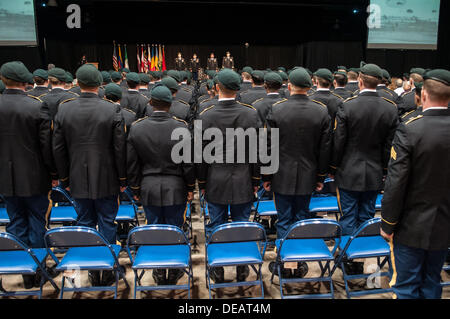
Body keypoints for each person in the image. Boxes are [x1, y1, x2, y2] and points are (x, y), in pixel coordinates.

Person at [53, 64, 127, 287]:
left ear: (77, 82)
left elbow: (58, 149)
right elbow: (119, 148)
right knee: (107, 221)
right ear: (99, 85)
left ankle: (92, 268)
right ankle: (107, 268)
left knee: (84, 221)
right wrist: (123, 180)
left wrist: (64, 179)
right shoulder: (111, 109)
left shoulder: (64, 109)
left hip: (76, 177)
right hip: (107, 177)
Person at [380, 69, 450, 299]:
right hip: (444, 224)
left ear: (424, 95)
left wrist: (388, 223)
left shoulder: (410, 128)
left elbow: (396, 181)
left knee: (406, 287)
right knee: (432, 282)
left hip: (411, 225)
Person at [330, 63, 398, 274]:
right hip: (375, 171)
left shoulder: (347, 105)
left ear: (360, 81)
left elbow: (339, 141)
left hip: (349, 171)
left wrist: (333, 166)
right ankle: (365, 257)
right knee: (367, 216)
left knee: (348, 216)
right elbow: (390, 146)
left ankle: (349, 260)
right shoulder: (389, 107)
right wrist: (385, 170)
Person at [264, 67, 331, 279]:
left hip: (281, 175)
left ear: (289, 85)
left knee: (283, 220)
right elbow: (325, 148)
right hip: (308, 175)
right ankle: (298, 262)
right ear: (310, 85)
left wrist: (266, 176)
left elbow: (268, 147)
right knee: (301, 218)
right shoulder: (321, 111)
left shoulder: (277, 109)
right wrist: (321, 177)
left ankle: (286, 264)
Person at [128, 84, 195, 285]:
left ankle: (158, 270)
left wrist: (136, 189)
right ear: (170, 104)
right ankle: (174, 270)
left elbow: (132, 164)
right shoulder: (181, 127)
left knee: (154, 229)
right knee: (176, 229)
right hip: (176, 188)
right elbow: (188, 164)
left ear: (150, 103)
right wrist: (190, 187)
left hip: (148, 187)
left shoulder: (136, 128)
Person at [197, 69, 260, 283]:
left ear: (216, 88)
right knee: (242, 224)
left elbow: (200, 155)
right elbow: (258, 152)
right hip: (243, 178)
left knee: (217, 226)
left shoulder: (206, 115)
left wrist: (202, 183)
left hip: (215, 180)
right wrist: (256, 181)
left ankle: (219, 269)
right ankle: (242, 268)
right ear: (238, 89)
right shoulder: (251, 114)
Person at [0, 61, 56, 289]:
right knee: (37, 223)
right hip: (34, 177)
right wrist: (54, 173)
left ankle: (22, 270)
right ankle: (38, 270)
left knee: (15, 223)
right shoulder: (36, 106)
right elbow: (46, 146)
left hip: (4, 177)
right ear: (26, 81)